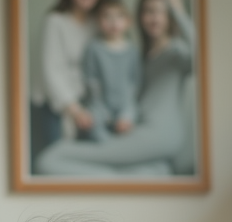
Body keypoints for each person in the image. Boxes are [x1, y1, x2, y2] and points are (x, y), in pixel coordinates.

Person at [35, 0, 197, 176]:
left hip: (158, 133)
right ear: (138, 18)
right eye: (148, 12)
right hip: (136, 128)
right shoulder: (144, 53)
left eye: (160, 12)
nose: (154, 18)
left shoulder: (176, 52)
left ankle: (121, 182)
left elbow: (202, 56)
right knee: (156, 170)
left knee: (51, 160)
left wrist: (179, 13)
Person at [33, 0, 99, 150]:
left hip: (85, 104)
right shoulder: (55, 21)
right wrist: (75, 110)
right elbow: (51, 70)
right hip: (53, 105)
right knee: (53, 158)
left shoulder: (96, 22)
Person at [81, 0, 141, 142]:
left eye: (119, 16)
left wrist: (126, 114)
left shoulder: (132, 52)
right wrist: (100, 111)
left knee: (131, 134)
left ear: (128, 21)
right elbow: (91, 82)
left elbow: (135, 84)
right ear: (98, 21)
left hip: (125, 107)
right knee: (94, 131)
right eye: (107, 16)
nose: (114, 22)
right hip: (99, 108)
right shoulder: (94, 49)